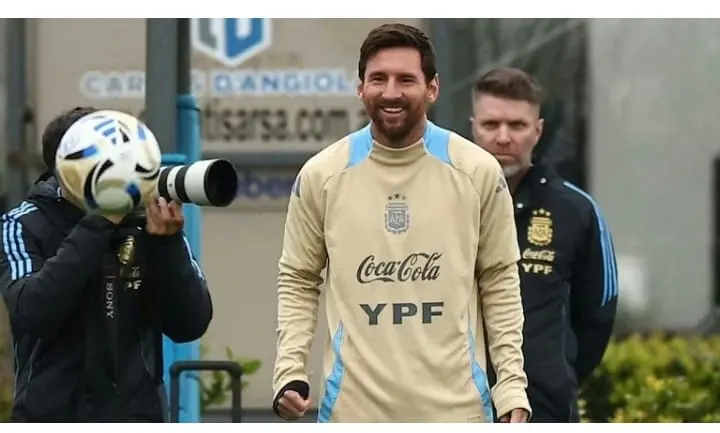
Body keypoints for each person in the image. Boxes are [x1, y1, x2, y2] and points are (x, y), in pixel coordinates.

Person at [272, 23, 530, 423]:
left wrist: (511, 386)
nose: (391, 92)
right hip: (352, 415)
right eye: (378, 79)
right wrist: (289, 371)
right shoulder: (322, 175)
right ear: (360, 88)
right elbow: (298, 279)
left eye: (406, 79)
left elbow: (500, 280)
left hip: (457, 413)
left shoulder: (477, 171)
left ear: (432, 88)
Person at [0, 106, 213, 422]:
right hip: (51, 417)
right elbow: (34, 310)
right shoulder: (23, 223)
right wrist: (100, 221)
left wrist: (167, 245)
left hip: (139, 417)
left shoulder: (144, 221)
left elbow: (190, 324)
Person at [469, 67, 619, 422]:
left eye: (517, 125)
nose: (503, 137)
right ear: (473, 127)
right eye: (491, 125)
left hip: (544, 409)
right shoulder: (442, 204)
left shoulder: (576, 210)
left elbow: (598, 314)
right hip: (454, 405)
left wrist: (553, 374)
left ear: (538, 130)